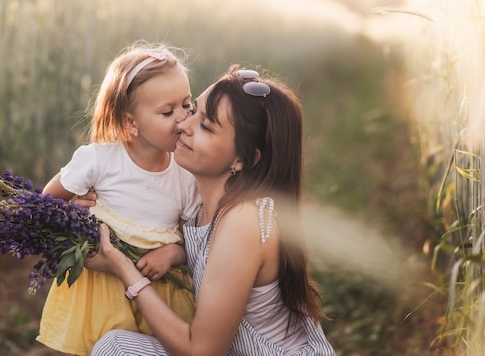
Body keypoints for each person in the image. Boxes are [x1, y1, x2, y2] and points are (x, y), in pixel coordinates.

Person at [86, 66, 336, 355]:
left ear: (242, 160)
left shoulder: (244, 219)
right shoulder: (200, 197)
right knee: (117, 345)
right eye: (194, 111)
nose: (183, 124)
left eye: (206, 126)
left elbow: (201, 351)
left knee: (115, 349)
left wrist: (125, 270)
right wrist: (90, 199)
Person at [35, 41, 202, 355]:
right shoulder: (98, 161)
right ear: (130, 122)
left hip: (160, 293)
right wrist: (70, 209)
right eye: (168, 111)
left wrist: (173, 254)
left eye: (187, 104)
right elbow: (44, 204)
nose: (182, 119)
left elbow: (196, 242)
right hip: (102, 289)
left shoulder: (186, 174)